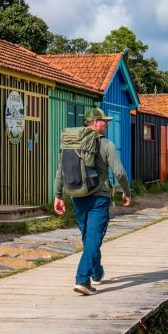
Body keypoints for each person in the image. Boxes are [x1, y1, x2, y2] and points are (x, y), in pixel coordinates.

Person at [54, 108, 132, 295]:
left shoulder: (71, 144)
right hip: (99, 197)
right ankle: (82, 280)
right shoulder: (106, 144)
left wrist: (57, 195)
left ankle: (96, 271)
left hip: (77, 196)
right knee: (93, 239)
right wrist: (127, 192)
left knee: (89, 239)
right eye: (104, 121)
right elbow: (119, 172)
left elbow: (60, 171)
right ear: (95, 123)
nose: (107, 124)